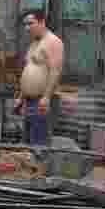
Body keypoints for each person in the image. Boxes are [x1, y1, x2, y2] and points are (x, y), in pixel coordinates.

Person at [14, 9, 64, 147]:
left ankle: (41, 167)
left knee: (39, 144)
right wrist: (21, 97)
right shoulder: (33, 44)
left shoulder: (53, 41)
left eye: (30, 23)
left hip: (42, 101)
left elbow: (55, 71)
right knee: (28, 142)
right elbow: (29, 71)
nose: (27, 28)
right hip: (30, 100)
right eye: (25, 24)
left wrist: (46, 97)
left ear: (42, 22)